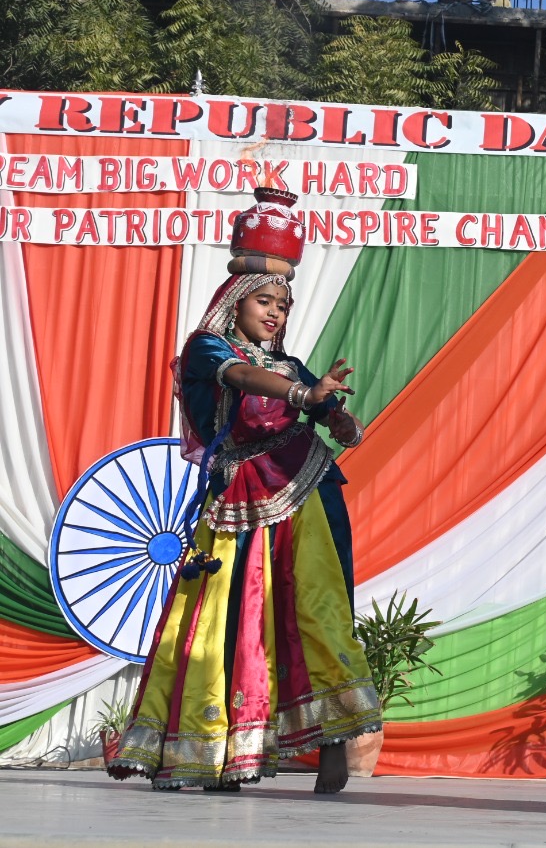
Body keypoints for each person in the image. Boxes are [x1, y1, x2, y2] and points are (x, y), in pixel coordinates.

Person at [109, 190, 381, 792]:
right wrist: (304, 395)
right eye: (264, 301)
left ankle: (332, 742)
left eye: (283, 306)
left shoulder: (291, 365)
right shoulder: (208, 348)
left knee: (317, 611)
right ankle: (219, 750)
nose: (275, 314)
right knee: (227, 621)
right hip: (238, 502)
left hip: (306, 494)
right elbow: (242, 377)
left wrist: (340, 421)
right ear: (236, 301)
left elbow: (333, 415)